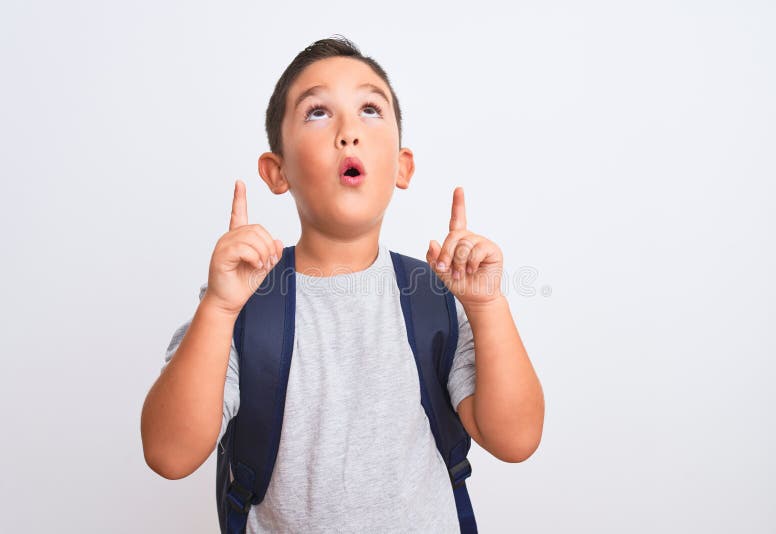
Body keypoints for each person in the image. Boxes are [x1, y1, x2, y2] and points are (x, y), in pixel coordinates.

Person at [140, 35, 545, 533]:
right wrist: (219, 310)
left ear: (402, 165)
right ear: (277, 170)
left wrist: (488, 308)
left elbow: (517, 439)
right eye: (317, 112)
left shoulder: (435, 299)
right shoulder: (242, 302)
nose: (349, 131)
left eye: (370, 108)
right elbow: (168, 454)